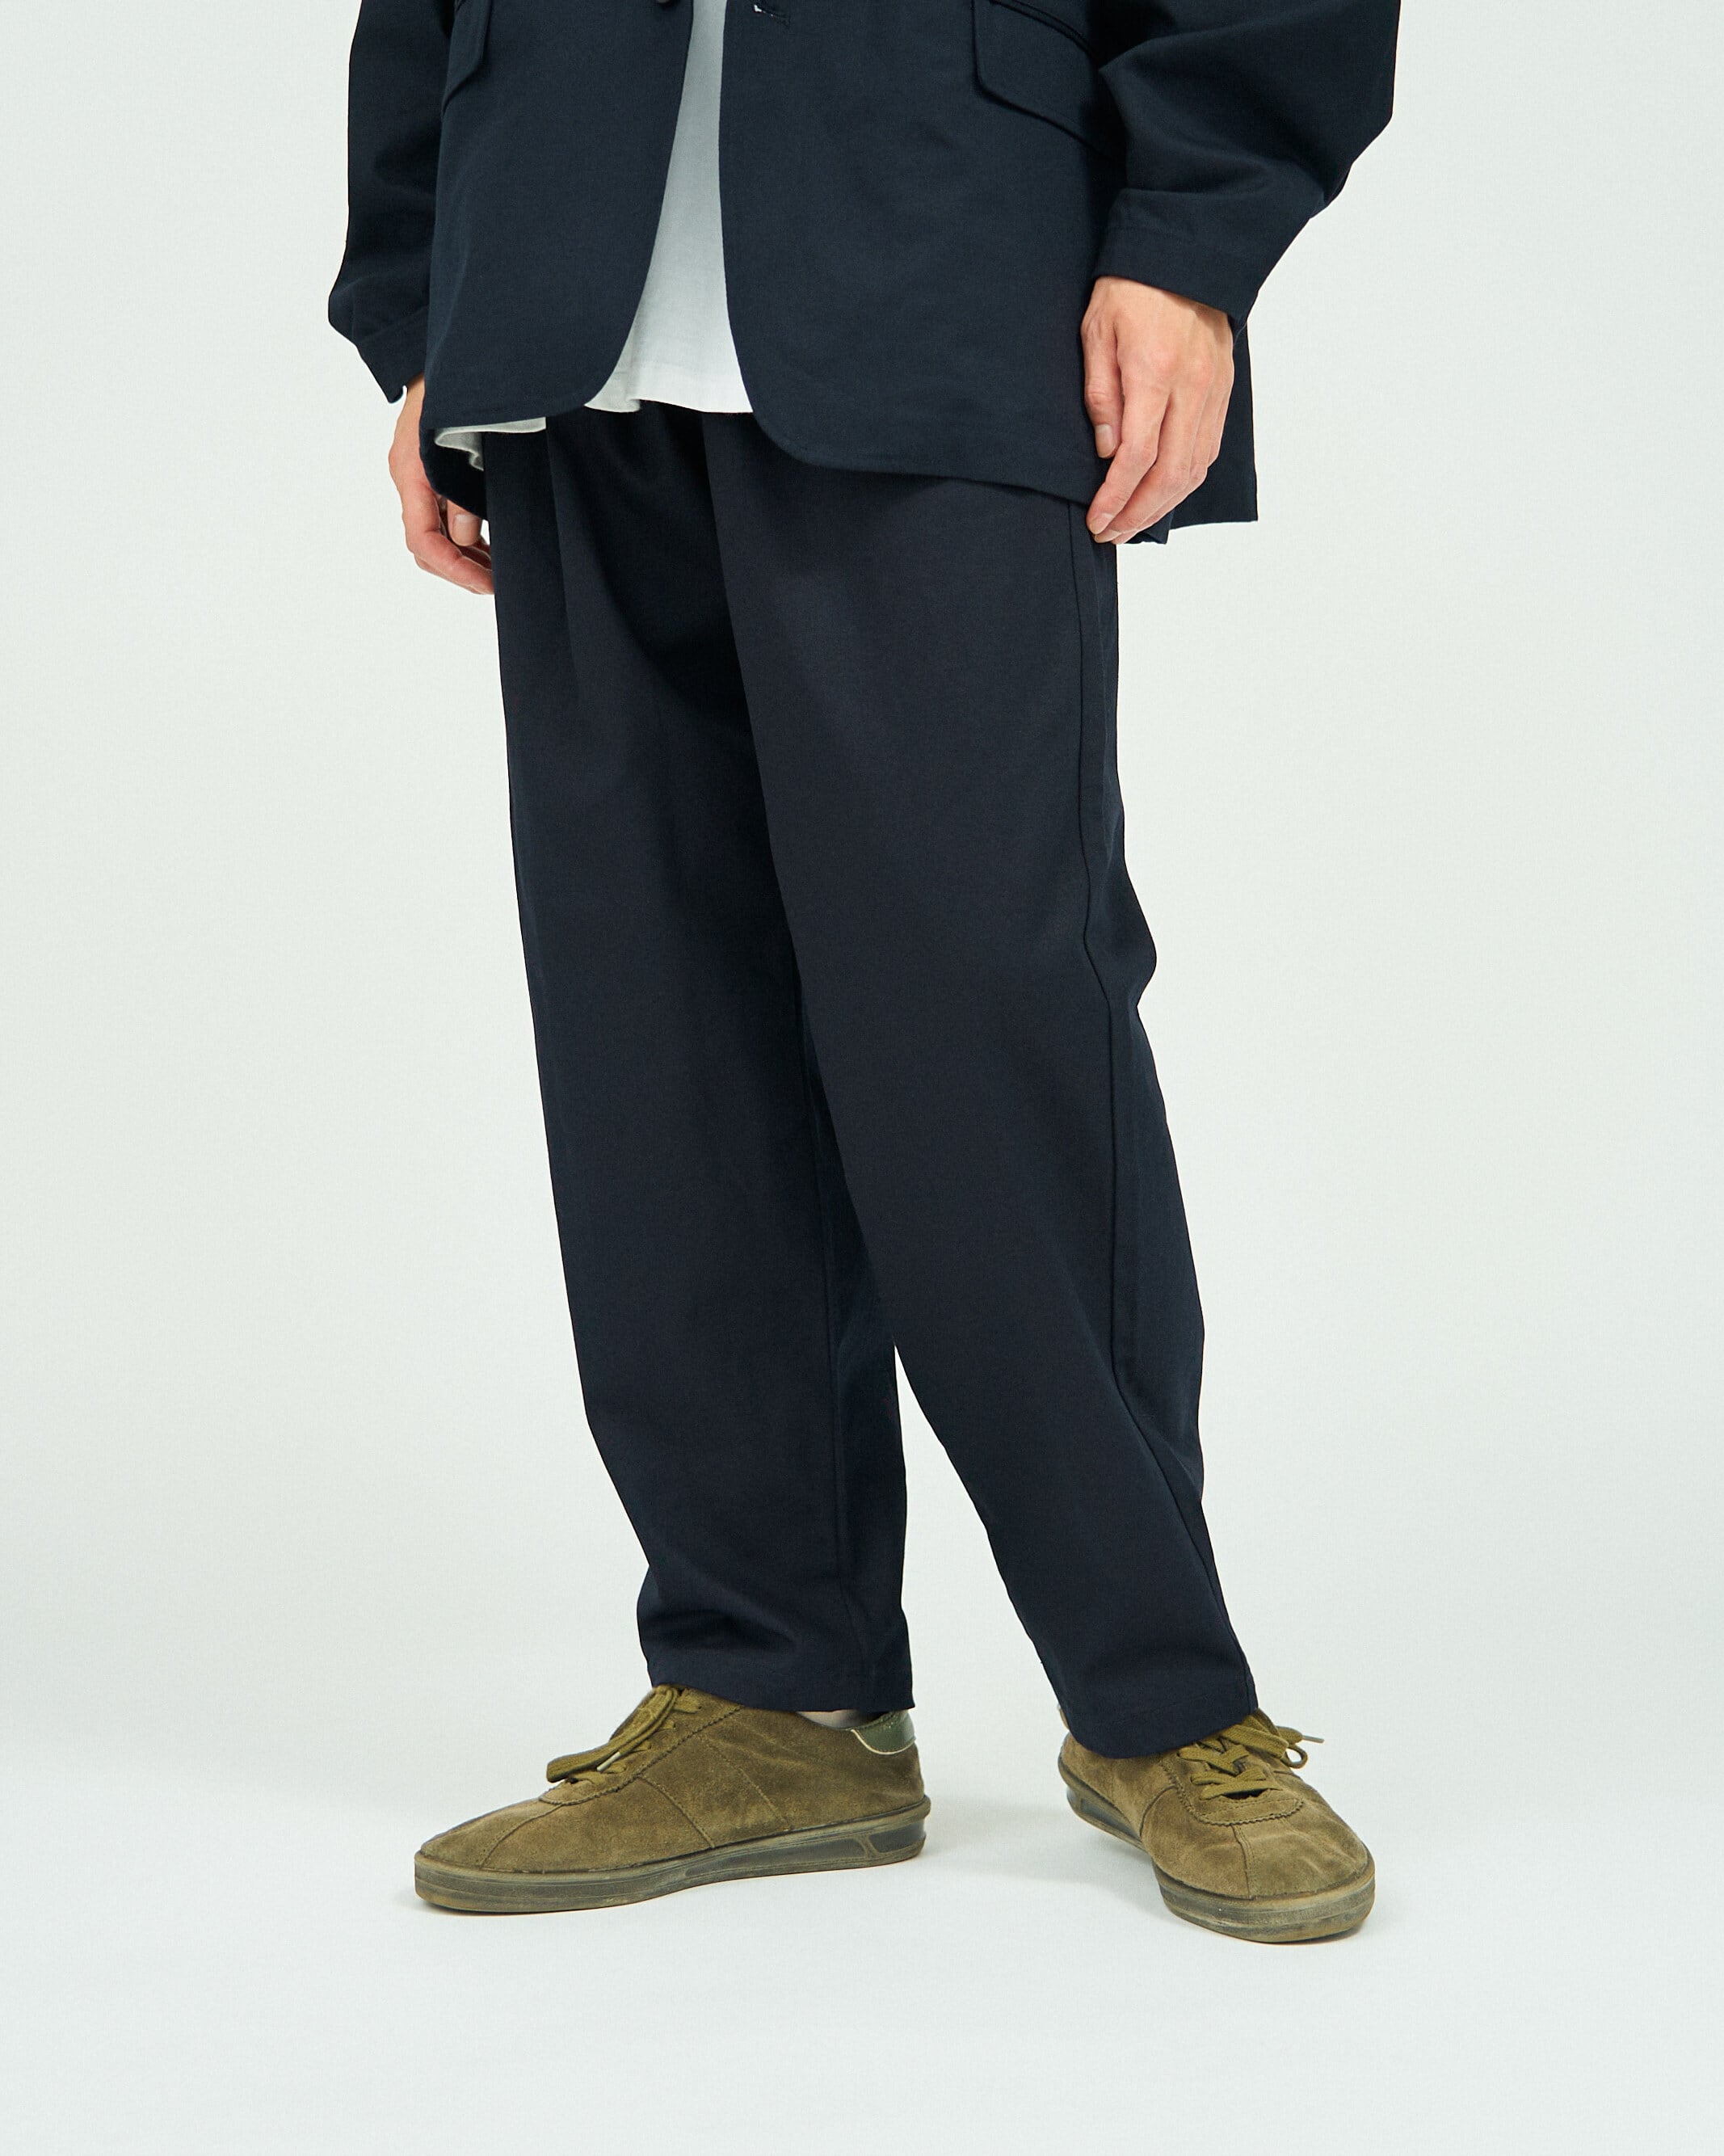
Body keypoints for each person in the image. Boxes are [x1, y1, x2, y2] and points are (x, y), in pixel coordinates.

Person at [331, 0, 1400, 1943]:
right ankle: (773, 1690)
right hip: (560, 291)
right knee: (653, 1034)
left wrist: (1189, 232)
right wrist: (425, 297)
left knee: (984, 1020)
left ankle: (1162, 1696)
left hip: (943, 253)